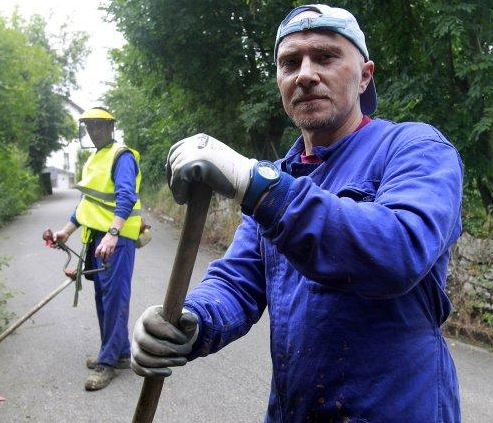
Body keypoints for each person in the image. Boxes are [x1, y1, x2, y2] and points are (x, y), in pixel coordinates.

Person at [131, 4, 463, 422]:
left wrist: (259, 186)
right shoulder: (280, 178)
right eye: (290, 63)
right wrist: (191, 320)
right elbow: (239, 281)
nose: (305, 73)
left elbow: (397, 250)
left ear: (364, 76)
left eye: (325, 56)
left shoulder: (416, 149)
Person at [54, 107, 142, 391]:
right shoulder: (94, 158)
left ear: (111, 127)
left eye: (99, 125)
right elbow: (86, 203)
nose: (94, 130)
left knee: (115, 298)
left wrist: (113, 233)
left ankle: (107, 362)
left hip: (116, 240)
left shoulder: (122, 156)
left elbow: (126, 197)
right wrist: (65, 232)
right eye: (90, 126)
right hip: (96, 238)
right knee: (104, 298)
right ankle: (120, 353)